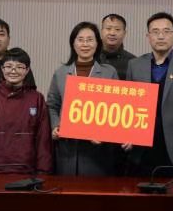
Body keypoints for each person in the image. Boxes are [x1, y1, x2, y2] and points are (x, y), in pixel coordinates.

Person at [126, 12, 173, 174]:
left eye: (166, 31)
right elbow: (128, 107)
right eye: (155, 32)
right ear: (148, 36)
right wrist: (127, 135)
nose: (161, 36)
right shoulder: (135, 65)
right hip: (140, 148)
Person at [47, 21, 121, 175]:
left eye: (90, 40)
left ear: (97, 44)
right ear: (73, 43)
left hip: (98, 153)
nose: (85, 44)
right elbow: (52, 104)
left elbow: (117, 109)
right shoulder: (61, 73)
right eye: (80, 40)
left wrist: (105, 133)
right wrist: (56, 126)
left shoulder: (109, 73)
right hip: (67, 150)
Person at [0, 48, 52, 173]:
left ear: (27, 70)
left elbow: (43, 139)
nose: (13, 71)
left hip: (25, 171)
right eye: (9, 66)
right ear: (2, 69)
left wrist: (43, 172)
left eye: (19, 67)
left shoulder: (37, 99)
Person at [98, 14, 136, 80]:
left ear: (124, 33)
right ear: (101, 31)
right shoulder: (88, 57)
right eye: (108, 28)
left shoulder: (133, 63)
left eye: (117, 29)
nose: (112, 33)